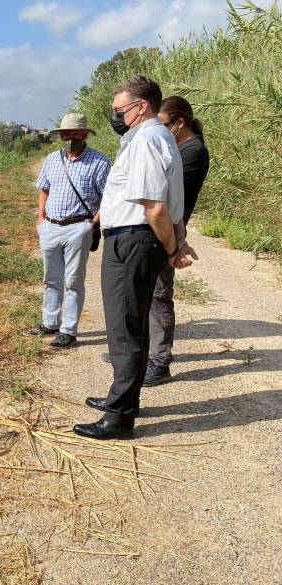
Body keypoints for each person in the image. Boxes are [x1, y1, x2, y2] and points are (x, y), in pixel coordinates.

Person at [74, 76, 198, 440]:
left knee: (125, 330)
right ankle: (122, 398)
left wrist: (174, 248)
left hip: (131, 241)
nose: (115, 115)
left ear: (141, 106)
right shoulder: (155, 139)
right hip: (134, 241)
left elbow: (156, 207)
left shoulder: (146, 140)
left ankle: (120, 417)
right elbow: (171, 202)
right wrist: (175, 241)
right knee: (132, 325)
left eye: (119, 109)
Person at [100, 96, 211, 386]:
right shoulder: (173, 145)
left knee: (158, 296)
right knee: (142, 299)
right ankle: (137, 360)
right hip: (159, 229)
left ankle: (158, 361)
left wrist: (176, 243)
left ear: (179, 123)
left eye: (162, 124)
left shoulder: (192, 151)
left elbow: (164, 201)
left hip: (162, 231)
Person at [24, 113, 110, 349]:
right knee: (50, 279)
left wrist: (93, 222)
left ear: (84, 134)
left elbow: (109, 197)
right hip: (50, 226)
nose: (69, 138)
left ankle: (68, 330)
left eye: (73, 134)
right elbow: (43, 188)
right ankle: (49, 322)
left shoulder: (99, 162)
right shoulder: (52, 159)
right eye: (65, 134)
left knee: (73, 280)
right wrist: (41, 217)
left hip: (79, 227)